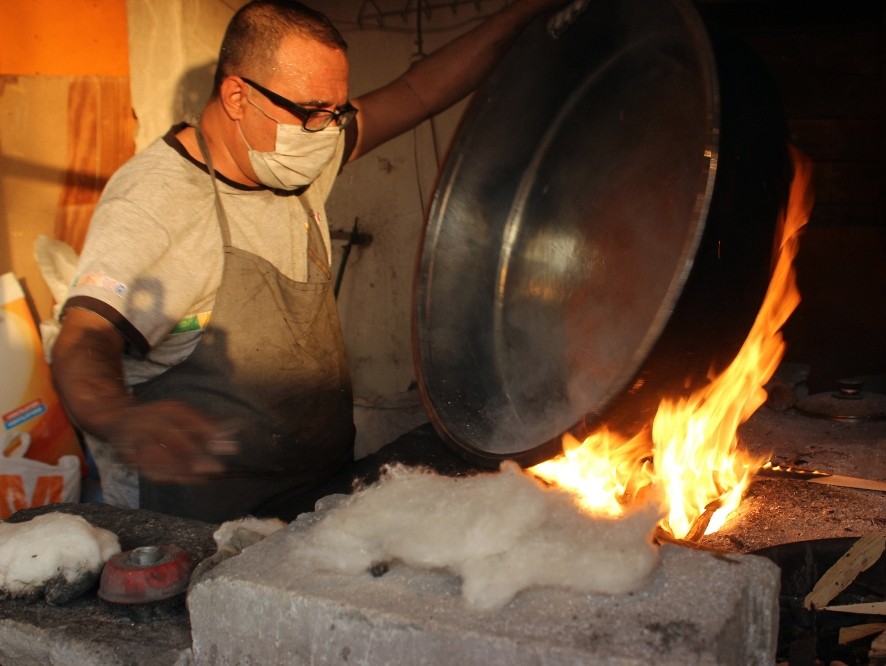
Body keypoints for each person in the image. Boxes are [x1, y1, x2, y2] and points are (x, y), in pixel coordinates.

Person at [51, 0, 568, 523]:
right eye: (312, 112)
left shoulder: (295, 159)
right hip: (201, 520)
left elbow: (417, 90)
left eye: (336, 112)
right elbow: (82, 339)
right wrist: (119, 417)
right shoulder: (158, 201)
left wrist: (530, 10)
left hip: (314, 496)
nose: (326, 131)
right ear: (237, 96)